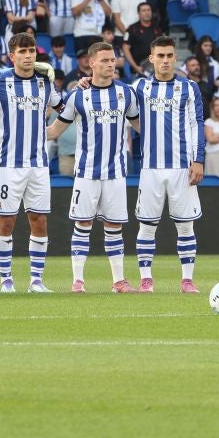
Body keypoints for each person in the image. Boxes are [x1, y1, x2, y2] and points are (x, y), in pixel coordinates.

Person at [48, 40, 140, 293]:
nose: (111, 64)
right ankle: (78, 281)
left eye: (113, 60)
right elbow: (54, 131)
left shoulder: (126, 93)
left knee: (114, 226)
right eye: (105, 60)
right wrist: (25, 131)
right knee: (83, 225)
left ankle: (118, 281)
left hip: (116, 172)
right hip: (86, 172)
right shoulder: (78, 96)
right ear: (91, 63)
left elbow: (141, 126)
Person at [0, 30, 60, 292]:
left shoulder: (45, 83)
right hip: (9, 166)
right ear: (11, 56)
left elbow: (66, 107)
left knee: (39, 221)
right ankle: (6, 280)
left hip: (39, 165)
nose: (28, 56)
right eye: (22, 52)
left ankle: (36, 281)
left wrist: (81, 88)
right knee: (6, 221)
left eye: (31, 51)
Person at [130, 35, 205, 293]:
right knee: (146, 225)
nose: (165, 60)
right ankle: (146, 279)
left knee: (185, 225)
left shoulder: (189, 87)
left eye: (169, 55)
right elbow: (113, 95)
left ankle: (187, 280)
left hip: (182, 166)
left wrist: (199, 159)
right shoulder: (139, 87)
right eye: (160, 56)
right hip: (150, 168)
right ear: (151, 58)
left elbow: (197, 124)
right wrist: (85, 82)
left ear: (175, 58)